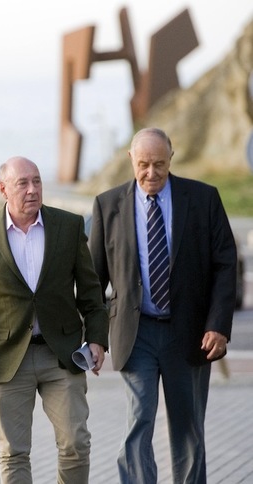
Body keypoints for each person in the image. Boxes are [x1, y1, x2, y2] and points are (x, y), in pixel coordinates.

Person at [89, 127, 237, 484]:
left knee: (188, 426)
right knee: (139, 419)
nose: (151, 173)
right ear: (131, 160)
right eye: (143, 164)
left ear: (172, 158)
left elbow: (225, 264)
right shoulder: (108, 205)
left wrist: (217, 325)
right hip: (135, 333)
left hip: (188, 333)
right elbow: (94, 280)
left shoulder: (203, 199)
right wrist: (95, 337)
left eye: (159, 164)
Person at [0, 156, 108, 483]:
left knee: (76, 443)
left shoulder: (68, 226)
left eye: (36, 181)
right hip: (9, 358)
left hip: (62, 354)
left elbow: (91, 292)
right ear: (2, 189)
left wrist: (96, 339)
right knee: (13, 452)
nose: (32, 189)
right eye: (22, 183)